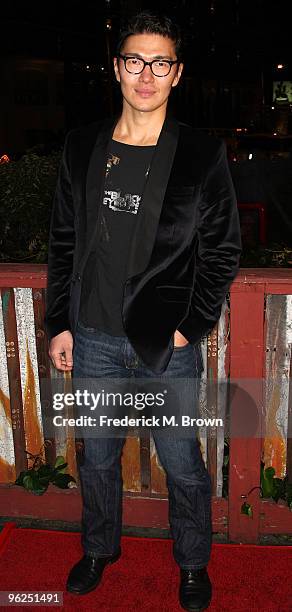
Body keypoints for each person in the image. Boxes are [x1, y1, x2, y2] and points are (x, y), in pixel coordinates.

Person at [45, 11, 242, 611]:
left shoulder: (201, 155)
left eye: (160, 63)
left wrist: (192, 327)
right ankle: (100, 548)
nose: (147, 74)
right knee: (97, 458)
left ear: (176, 74)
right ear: (117, 68)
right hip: (94, 337)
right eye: (136, 61)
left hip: (167, 345)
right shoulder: (83, 147)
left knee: (183, 466)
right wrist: (58, 322)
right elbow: (62, 241)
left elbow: (223, 250)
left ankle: (191, 562)